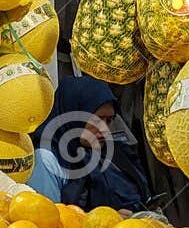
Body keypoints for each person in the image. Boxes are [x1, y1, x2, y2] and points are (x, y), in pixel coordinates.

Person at [30, 75, 150, 210]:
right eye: (96, 120)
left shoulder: (113, 155)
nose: (104, 129)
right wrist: (106, 218)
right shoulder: (47, 160)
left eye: (109, 120)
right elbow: (46, 217)